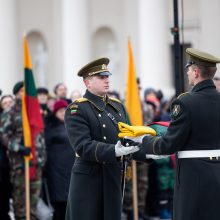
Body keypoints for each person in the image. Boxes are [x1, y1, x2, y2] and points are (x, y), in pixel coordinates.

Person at [127, 48, 220, 220]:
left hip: (194, 178)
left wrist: (144, 140)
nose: (187, 72)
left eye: (189, 68)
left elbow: (169, 145)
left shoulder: (185, 102)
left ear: (196, 72)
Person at [64, 57, 139, 220]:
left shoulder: (117, 106)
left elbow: (130, 138)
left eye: (107, 76)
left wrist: (149, 151)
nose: (107, 80)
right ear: (87, 83)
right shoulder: (77, 109)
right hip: (89, 179)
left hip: (112, 176)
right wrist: (113, 150)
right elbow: (82, 146)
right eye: (101, 77)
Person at [0, 81, 46, 220]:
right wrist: (19, 148)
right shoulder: (10, 113)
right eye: (22, 92)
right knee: (20, 202)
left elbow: (41, 137)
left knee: (34, 200)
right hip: (20, 164)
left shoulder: (34, 111)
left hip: (35, 162)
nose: (25, 94)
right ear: (16, 94)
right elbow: (4, 137)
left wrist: (43, 158)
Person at [44, 99, 74, 220]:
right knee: (60, 204)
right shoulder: (50, 127)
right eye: (60, 111)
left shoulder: (73, 125)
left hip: (72, 169)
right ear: (55, 112)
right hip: (56, 171)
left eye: (65, 110)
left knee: (72, 203)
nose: (63, 113)